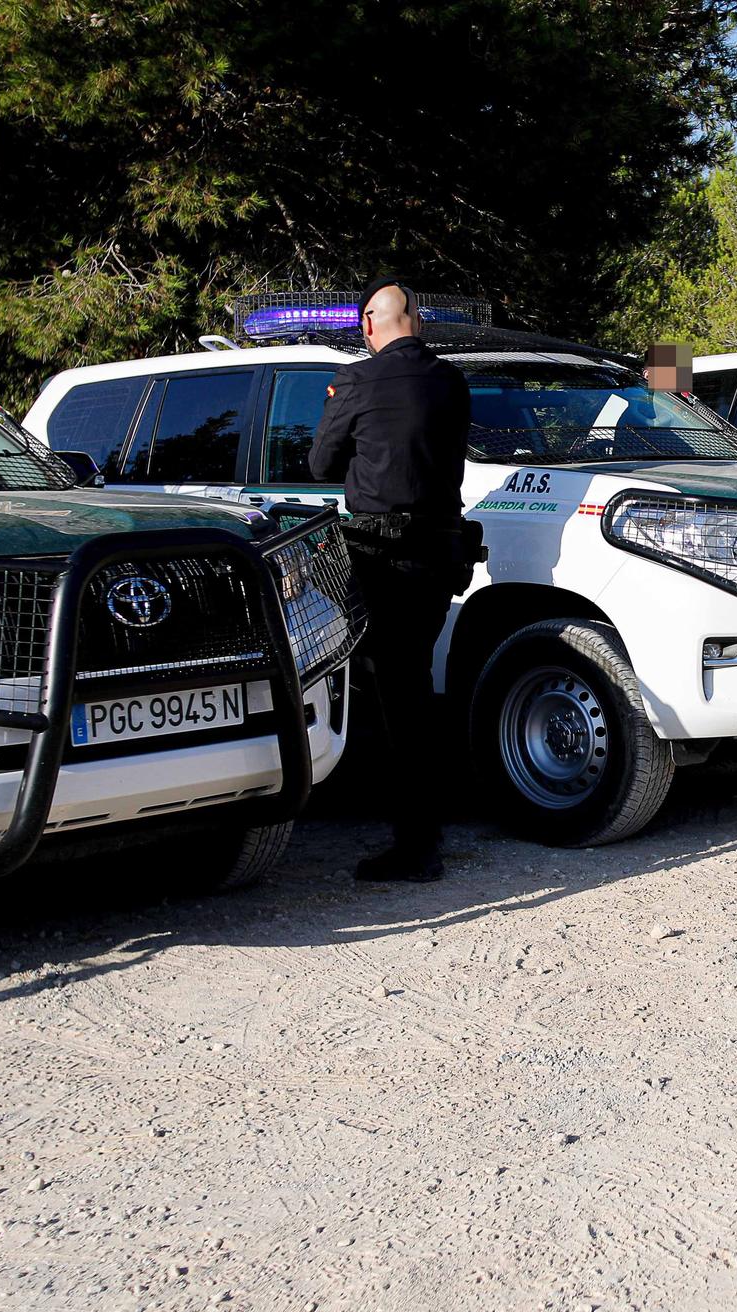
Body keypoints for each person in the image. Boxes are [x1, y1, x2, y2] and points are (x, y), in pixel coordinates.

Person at [310, 277, 473, 882]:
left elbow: (321, 465)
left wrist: (336, 406)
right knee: (412, 688)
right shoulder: (451, 380)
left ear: (368, 326)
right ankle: (423, 829)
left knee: (392, 696)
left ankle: (416, 847)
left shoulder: (355, 380)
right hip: (439, 555)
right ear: (418, 323)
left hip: (380, 556)